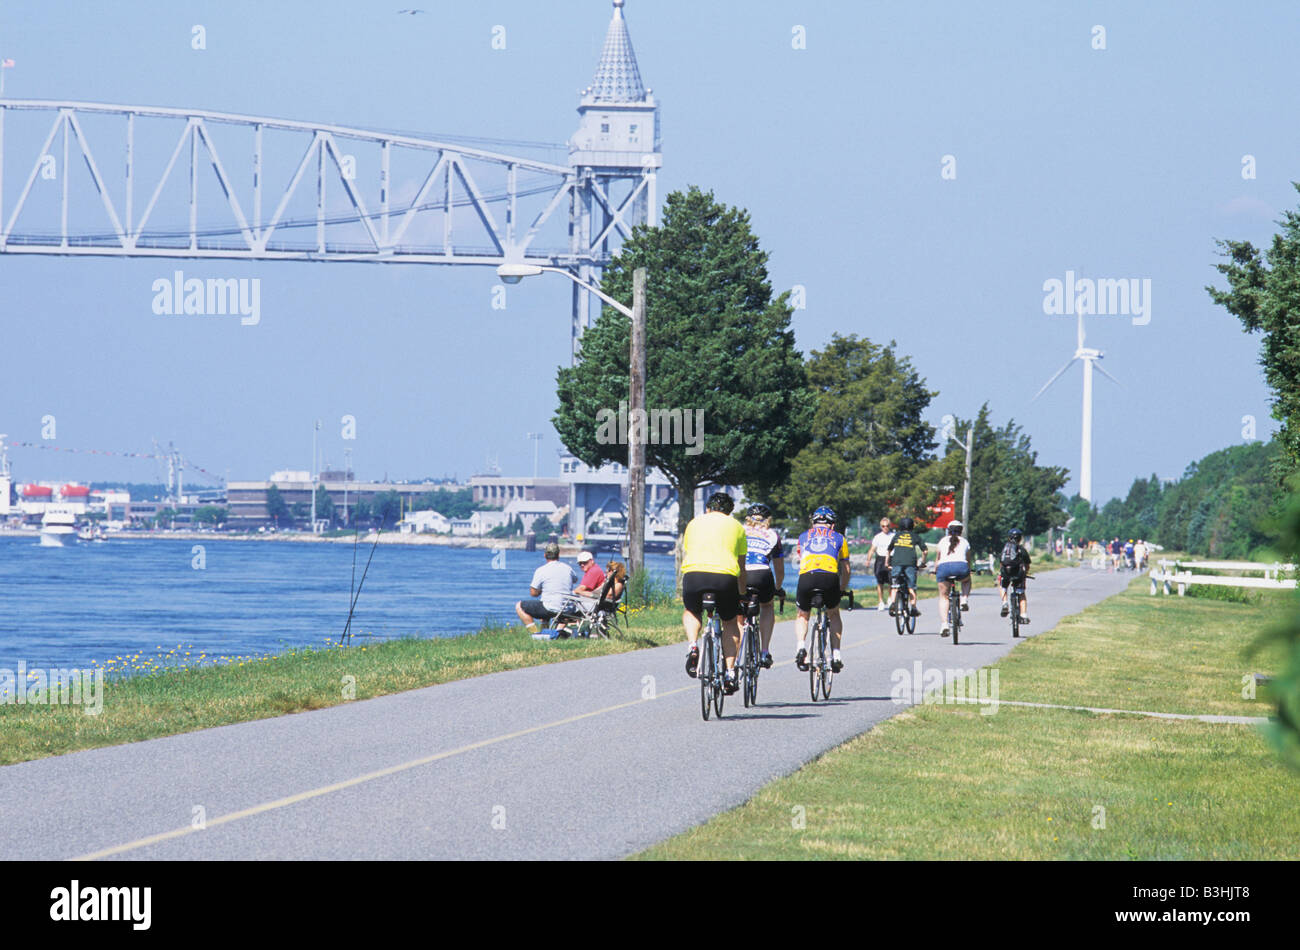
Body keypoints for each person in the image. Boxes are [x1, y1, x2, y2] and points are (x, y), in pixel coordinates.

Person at [680, 492, 748, 694]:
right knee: (730, 622)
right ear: (729, 512)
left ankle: (693, 646)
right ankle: (729, 673)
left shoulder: (693, 523)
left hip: (694, 575)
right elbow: (741, 566)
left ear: (708, 509)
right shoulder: (737, 527)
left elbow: (689, 550)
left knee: (691, 611)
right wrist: (742, 593)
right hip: (724, 577)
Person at [793, 506, 851, 673]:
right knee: (833, 614)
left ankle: (801, 647)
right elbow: (845, 568)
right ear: (832, 524)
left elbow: (801, 557)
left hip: (807, 576)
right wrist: (841, 588)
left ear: (814, 523)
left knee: (802, 614)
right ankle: (837, 655)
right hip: (829, 577)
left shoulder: (803, 536)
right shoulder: (840, 538)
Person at [741, 503, 785, 669]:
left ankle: (736, 653)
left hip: (741, 573)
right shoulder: (772, 535)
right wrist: (777, 588)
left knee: (739, 611)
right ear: (769, 520)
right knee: (767, 606)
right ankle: (765, 651)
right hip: (762, 574)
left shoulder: (739, 531)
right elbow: (779, 570)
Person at [515, 542, 578, 634]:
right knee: (544, 605)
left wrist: (541, 590)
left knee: (519, 606)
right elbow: (575, 580)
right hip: (567, 608)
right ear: (558, 555)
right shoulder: (568, 568)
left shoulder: (541, 570)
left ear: (545, 555)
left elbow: (533, 593)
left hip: (550, 608)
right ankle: (545, 632)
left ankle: (535, 633)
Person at [935, 519, 972, 637]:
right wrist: (968, 569)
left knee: (944, 596)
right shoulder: (965, 542)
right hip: (961, 567)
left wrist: (936, 571)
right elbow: (967, 559)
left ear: (948, 531)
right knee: (966, 580)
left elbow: (938, 559)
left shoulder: (942, 541)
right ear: (961, 531)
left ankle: (944, 624)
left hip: (944, 568)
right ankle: (964, 599)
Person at [886, 516, 927, 619]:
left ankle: (893, 603)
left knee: (895, 585)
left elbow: (889, 550)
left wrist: (887, 563)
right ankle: (913, 607)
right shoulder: (915, 536)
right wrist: (923, 562)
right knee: (911, 587)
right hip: (910, 563)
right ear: (912, 526)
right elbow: (925, 551)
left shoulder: (896, 536)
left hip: (896, 562)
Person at [998, 528, 1031, 623]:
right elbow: (1027, 564)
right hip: (1018, 574)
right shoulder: (1021, 549)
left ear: (1009, 538)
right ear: (1020, 538)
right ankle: (1024, 615)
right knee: (1021, 593)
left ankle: (1005, 602)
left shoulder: (1005, 548)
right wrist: (1025, 573)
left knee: (1002, 585)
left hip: (1006, 573)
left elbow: (1001, 563)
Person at [868, 516, 895, 611]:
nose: (885, 528)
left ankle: (890, 598)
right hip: (880, 560)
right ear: (881, 526)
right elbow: (872, 549)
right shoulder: (878, 537)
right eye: (883, 526)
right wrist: (868, 560)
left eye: (887, 526)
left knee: (891, 581)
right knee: (880, 582)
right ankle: (880, 601)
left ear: (890, 526)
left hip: (891, 559)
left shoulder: (893, 536)